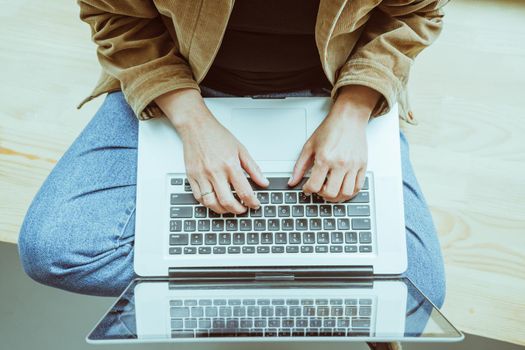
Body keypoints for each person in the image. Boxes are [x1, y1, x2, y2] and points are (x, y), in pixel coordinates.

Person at [18, 2, 448, 347]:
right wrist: (191, 122)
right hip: (179, 79)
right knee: (51, 250)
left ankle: (228, 274)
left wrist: (353, 110)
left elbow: (414, 14)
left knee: (419, 293)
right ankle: (321, 286)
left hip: (334, 90)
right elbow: (116, 17)